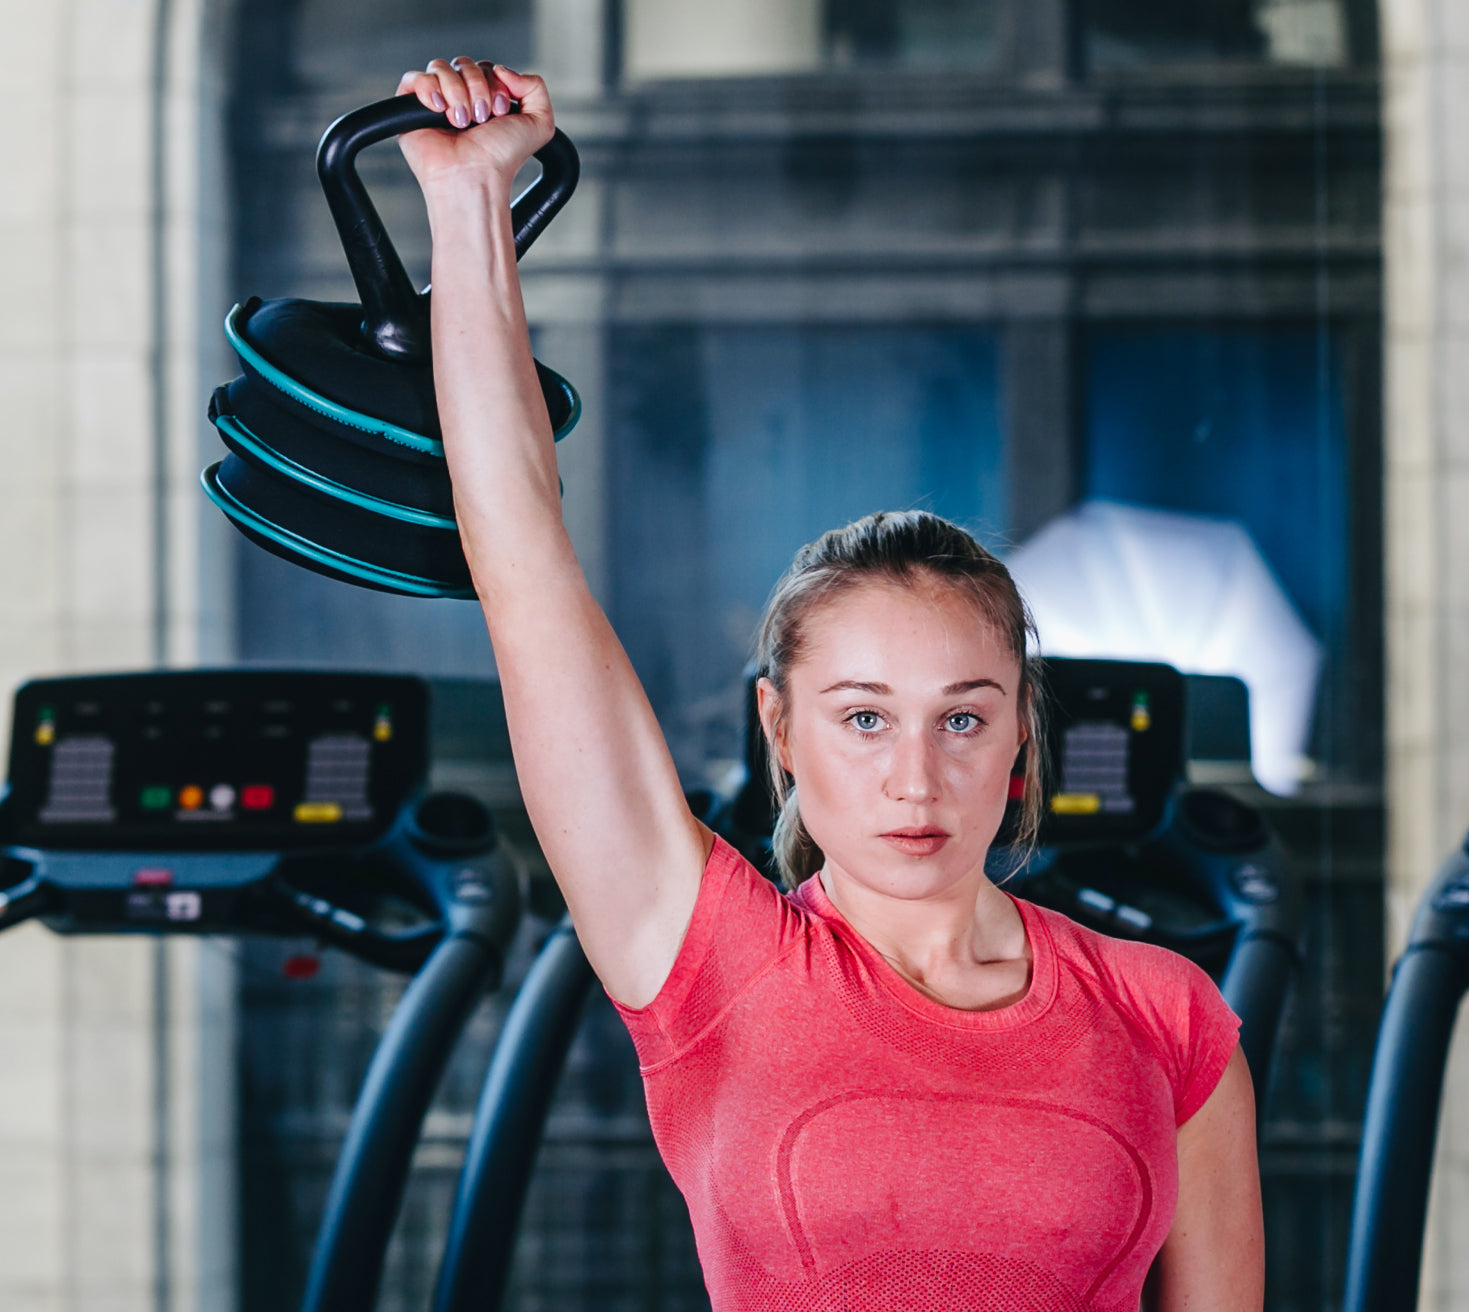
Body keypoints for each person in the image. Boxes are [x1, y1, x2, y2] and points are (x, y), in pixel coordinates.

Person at [394, 58, 1264, 1311]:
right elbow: (521, 556)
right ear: (779, 730)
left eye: (962, 716)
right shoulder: (708, 960)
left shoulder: (1166, 1017)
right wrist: (472, 203)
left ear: (1019, 732)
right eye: (863, 718)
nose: (916, 777)